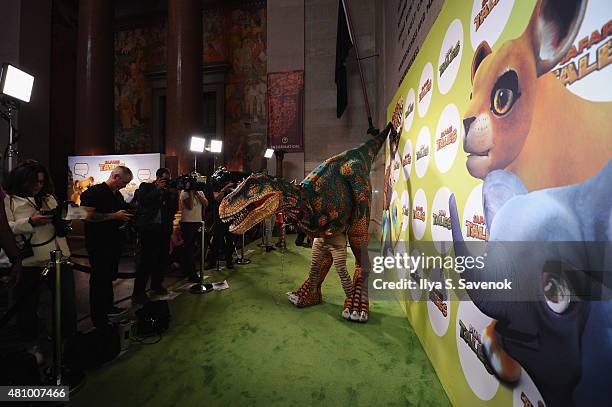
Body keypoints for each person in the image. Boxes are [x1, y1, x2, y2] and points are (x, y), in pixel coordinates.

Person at [0, 160, 76, 342]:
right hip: (30, 262)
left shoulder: (48, 198)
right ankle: (30, 344)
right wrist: (30, 221)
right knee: (27, 306)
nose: (37, 186)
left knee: (67, 304)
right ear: (21, 180)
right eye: (34, 182)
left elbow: (66, 218)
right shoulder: (8, 201)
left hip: (60, 258)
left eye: (41, 182)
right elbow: (5, 228)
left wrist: (66, 218)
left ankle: (67, 340)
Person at [80, 166, 134, 329]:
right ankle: (98, 316)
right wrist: (114, 216)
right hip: (98, 243)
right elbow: (84, 215)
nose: (125, 186)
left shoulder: (116, 195)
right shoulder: (94, 192)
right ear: (116, 176)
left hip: (113, 243)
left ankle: (108, 307)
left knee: (109, 277)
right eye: (124, 182)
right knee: (99, 279)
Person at [132, 168, 178, 303]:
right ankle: (139, 292)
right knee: (145, 261)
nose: (166, 182)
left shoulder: (168, 192)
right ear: (157, 177)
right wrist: (157, 189)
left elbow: (172, 209)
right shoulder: (146, 187)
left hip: (163, 230)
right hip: (148, 230)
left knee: (162, 259)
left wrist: (170, 193)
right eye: (164, 179)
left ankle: (157, 285)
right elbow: (143, 201)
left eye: (168, 180)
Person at [179, 174, 208, 282]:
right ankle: (191, 274)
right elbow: (190, 206)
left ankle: (191, 270)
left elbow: (206, 203)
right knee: (189, 249)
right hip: (187, 223)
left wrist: (196, 193)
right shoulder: (184, 193)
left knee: (197, 248)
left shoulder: (199, 191)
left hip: (198, 222)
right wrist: (190, 191)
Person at [206, 178, 235, 269]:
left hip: (229, 218)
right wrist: (224, 188)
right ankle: (212, 262)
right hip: (219, 219)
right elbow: (217, 199)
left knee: (230, 241)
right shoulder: (216, 189)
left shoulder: (230, 191)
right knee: (216, 241)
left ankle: (229, 261)